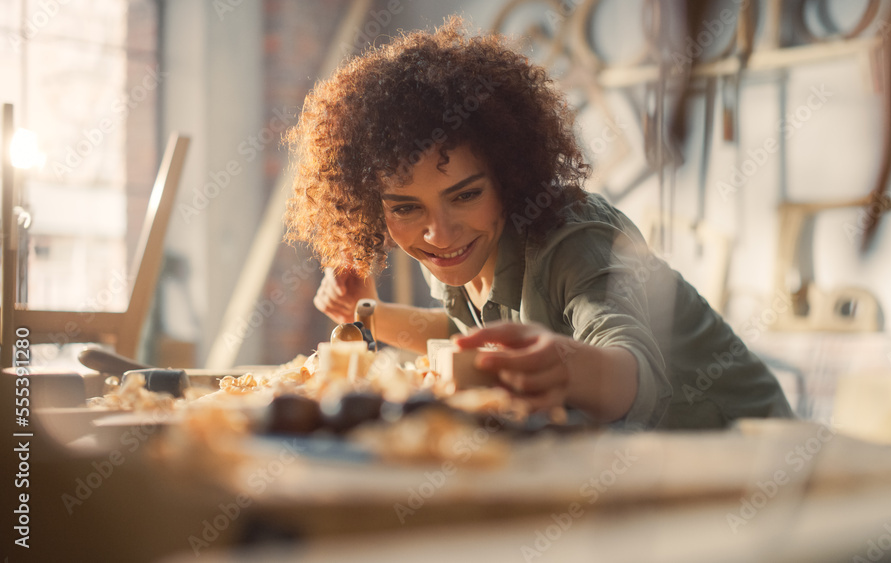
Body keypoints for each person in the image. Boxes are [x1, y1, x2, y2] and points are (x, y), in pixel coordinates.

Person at [284, 17, 793, 430]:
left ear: (510, 175)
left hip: (753, 462)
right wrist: (364, 311)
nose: (438, 233)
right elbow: (468, 335)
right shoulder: (454, 252)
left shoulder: (581, 240)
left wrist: (563, 366)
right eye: (406, 208)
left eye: (466, 194)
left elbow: (631, 367)